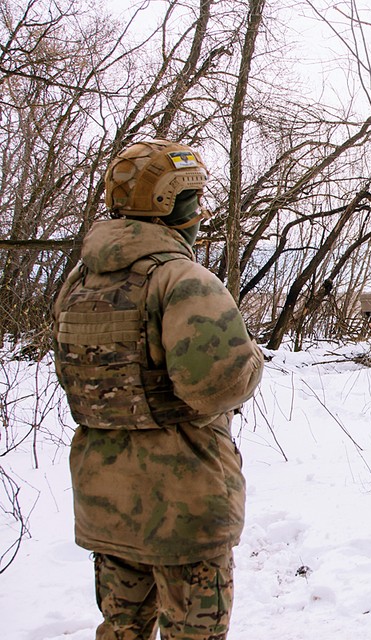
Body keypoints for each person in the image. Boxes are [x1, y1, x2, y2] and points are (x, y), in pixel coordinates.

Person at [52, 139, 264, 639]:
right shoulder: (183, 279)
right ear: (171, 204)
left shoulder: (80, 279)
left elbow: (74, 376)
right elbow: (220, 384)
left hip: (106, 501)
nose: (201, 211)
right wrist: (252, 358)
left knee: (121, 628)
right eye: (194, 198)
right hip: (184, 506)